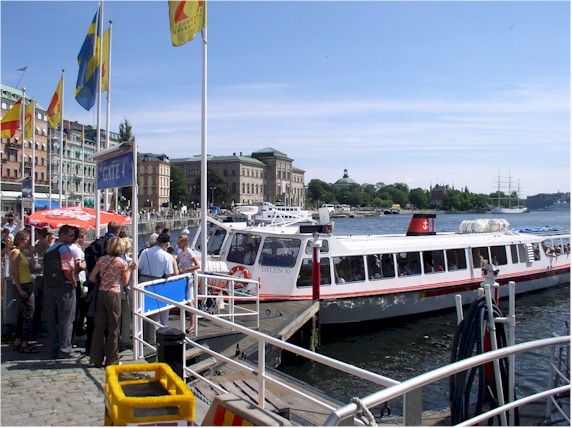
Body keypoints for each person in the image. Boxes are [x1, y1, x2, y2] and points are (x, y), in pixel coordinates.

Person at [88, 237, 137, 367]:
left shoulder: (102, 260)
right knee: (113, 328)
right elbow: (125, 282)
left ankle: (95, 359)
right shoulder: (122, 263)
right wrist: (130, 269)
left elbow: (92, 277)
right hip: (113, 294)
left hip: (101, 294)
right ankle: (112, 359)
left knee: (99, 327)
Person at [43, 225, 80, 359]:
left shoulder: (51, 248)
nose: (72, 238)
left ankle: (54, 348)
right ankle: (65, 349)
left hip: (50, 286)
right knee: (67, 319)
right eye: (70, 235)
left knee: (53, 319)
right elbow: (66, 269)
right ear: (62, 235)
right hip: (64, 287)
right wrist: (73, 281)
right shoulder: (64, 249)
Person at [138, 233, 174, 342]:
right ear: (166, 244)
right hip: (157, 283)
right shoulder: (167, 256)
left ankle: (142, 337)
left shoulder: (145, 252)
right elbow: (168, 274)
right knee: (155, 314)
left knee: (143, 311)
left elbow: (139, 268)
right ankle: (152, 340)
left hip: (143, 282)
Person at [9, 231, 38, 353]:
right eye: (26, 240)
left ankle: (18, 341)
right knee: (29, 314)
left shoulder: (22, 253)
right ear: (21, 240)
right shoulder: (15, 253)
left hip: (27, 282)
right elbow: (15, 272)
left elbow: (31, 267)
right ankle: (25, 343)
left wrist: (32, 254)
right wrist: (20, 289)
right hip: (22, 284)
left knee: (22, 314)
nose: (27, 242)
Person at [176, 235, 200, 333]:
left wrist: (187, 269)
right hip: (183, 277)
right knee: (186, 300)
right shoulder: (180, 252)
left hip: (189, 277)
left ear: (183, 243)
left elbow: (197, 265)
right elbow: (176, 262)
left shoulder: (189, 252)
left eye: (179, 242)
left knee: (190, 300)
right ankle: (191, 323)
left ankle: (193, 324)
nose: (177, 244)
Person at [70, 228, 88, 340]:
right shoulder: (76, 250)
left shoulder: (72, 248)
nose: (85, 240)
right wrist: (86, 262)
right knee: (79, 308)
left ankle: (78, 329)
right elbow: (77, 268)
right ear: (80, 238)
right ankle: (78, 331)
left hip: (77, 280)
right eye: (85, 238)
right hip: (78, 280)